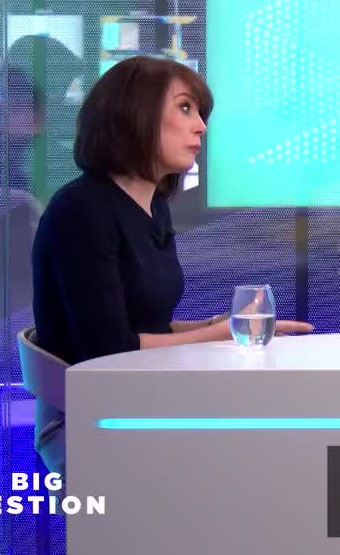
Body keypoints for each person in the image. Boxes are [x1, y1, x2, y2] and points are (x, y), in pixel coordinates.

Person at [30, 56, 313, 476]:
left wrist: (221, 324)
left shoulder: (154, 207)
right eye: (184, 108)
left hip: (138, 400)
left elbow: (146, 327)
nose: (200, 125)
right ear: (134, 114)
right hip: (89, 420)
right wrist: (221, 334)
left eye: (199, 113)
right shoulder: (82, 209)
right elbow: (107, 350)